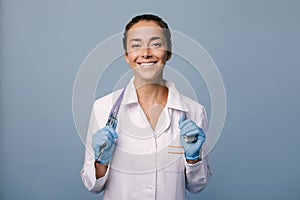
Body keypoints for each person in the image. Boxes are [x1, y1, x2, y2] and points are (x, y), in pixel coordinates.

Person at [81, 14, 212, 200]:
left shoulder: (194, 112)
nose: (146, 53)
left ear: (168, 52)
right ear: (127, 56)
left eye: (156, 44)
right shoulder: (102, 108)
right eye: (136, 45)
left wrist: (193, 159)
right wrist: (101, 162)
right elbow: (91, 184)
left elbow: (198, 185)